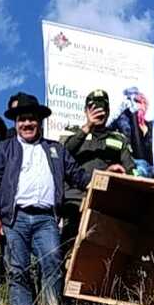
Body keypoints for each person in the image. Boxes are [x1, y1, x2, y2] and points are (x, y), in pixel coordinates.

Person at [0, 92, 89, 305]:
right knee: (18, 268)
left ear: (39, 121)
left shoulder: (56, 150)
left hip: (46, 220)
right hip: (15, 218)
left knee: (52, 263)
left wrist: (107, 176)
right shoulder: (3, 149)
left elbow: (80, 177)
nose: (27, 123)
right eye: (22, 119)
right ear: (16, 123)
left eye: (31, 119)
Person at [59, 90, 135, 249]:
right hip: (74, 203)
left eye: (103, 108)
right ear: (86, 111)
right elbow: (61, 155)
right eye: (93, 108)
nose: (99, 112)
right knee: (70, 249)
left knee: (100, 250)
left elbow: (130, 170)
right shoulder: (72, 134)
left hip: (105, 203)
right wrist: (88, 126)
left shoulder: (118, 139)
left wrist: (114, 173)